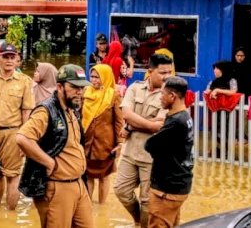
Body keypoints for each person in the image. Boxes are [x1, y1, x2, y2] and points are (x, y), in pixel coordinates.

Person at [17, 64, 93, 228]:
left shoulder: (72, 109)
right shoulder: (45, 111)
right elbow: (22, 138)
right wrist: (48, 162)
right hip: (57, 187)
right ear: (59, 86)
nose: (79, 92)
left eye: (82, 88)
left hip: (79, 184)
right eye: (74, 87)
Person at [113, 53, 173, 227]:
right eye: (162, 73)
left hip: (152, 157)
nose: (167, 76)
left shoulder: (170, 95)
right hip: (130, 152)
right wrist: (147, 123)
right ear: (150, 71)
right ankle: (138, 220)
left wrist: (131, 126)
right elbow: (126, 114)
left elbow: (160, 125)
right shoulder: (135, 88)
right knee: (120, 190)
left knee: (148, 201)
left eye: (169, 72)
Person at [0, 42, 35, 210]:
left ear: (17, 60)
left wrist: (25, 139)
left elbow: (27, 113)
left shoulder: (24, 81)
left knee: (12, 175)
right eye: (5, 57)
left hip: (12, 132)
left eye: (12, 57)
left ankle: (10, 214)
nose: (8, 60)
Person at [145, 77, 194, 228]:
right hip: (179, 184)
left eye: (162, 93)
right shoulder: (184, 116)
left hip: (167, 188)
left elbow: (149, 145)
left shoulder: (176, 122)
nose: (160, 97)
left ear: (172, 96)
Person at [82, 64, 124, 204]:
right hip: (87, 142)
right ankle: (88, 204)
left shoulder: (113, 95)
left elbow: (119, 121)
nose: (93, 80)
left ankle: (101, 205)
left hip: (105, 143)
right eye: (92, 76)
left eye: (97, 77)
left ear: (105, 78)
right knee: (87, 175)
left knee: (103, 176)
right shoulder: (85, 92)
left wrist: (119, 143)